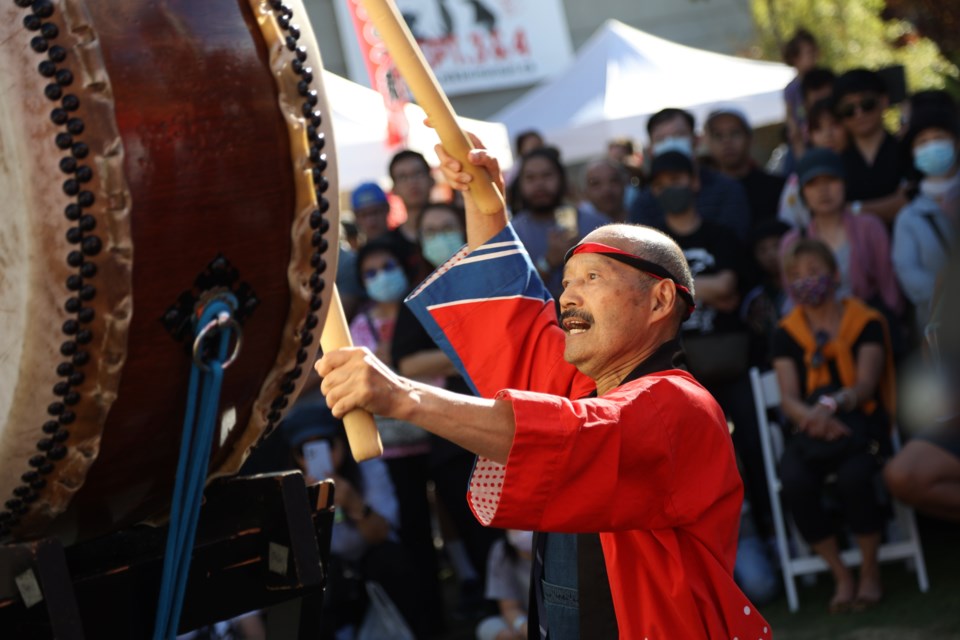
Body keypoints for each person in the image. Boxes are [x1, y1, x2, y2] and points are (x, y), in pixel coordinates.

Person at [316, 134, 771, 638]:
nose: (567, 299)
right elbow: (511, 319)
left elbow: (571, 437)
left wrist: (404, 396)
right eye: (567, 282)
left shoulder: (677, 404)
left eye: (593, 278)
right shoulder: (586, 387)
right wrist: (481, 198)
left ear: (661, 299)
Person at [648, 150, 773, 549]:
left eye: (679, 179)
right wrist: (710, 288)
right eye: (663, 182)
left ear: (696, 182)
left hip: (733, 361)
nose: (673, 188)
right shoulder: (649, 247)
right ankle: (716, 547)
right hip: (680, 372)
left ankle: (770, 534)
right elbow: (714, 290)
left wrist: (673, 290)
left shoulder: (721, 235)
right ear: (653, 189)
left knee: (754, 446)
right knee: (697, 463)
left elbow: (729, 288)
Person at [772, 237, 896, 613]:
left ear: (835, 273)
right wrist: (813, 417)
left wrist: (830, 406)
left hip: (858, 419)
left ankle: (870, 572)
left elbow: (865, 384)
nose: (805, 280)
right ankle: (842, 574)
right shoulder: (785, 331)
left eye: (814, 271)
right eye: (796, 275)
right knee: (794, 481)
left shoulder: (866, 320)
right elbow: (789, 397)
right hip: (810, 430)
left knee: (854, 477)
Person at [392, 202, 502, 617]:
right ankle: (497, 615)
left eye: (447, 227)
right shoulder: (420, 294)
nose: (440, 235)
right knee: (478, 534)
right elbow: (407, 364)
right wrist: (474, 348)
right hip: (455, 440)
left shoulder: (493, 280)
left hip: (510, 423)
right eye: (431, 229)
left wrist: (446, 352)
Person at [278, 400, 417, 639]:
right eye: (304, 450)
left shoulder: (368, 470)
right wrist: (309, 514)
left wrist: (354, 504)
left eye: (325, 445)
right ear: (294, 456)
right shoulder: (287, 489)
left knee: (388, 558)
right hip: (328, 581)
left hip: (371, 569)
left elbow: (383, 534)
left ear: (342, 441)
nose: (317, 456)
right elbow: (290, 561)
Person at [780, 148, 903, 321]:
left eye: (831, 179)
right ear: (802, 192)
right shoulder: (792, 241)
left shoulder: (869, 227)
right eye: (813, 183)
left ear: (844, 183)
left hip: (867, 324)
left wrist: (889, 326)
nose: (823, 190)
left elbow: (888, 285)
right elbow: (793, 296)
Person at [628, 107, 751, 240]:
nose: (670, 143)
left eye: (678, 135)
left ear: (696, 140)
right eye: (661, 139)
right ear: (651, 149)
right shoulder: (643, 203)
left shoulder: (727, 189)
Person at [508, 147, 609, 299]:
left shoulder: (597, 226)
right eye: (530, 178)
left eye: (547, 175)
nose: (540, 184)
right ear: (520, 184)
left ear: (561, 178)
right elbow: (513, 293)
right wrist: (547, 263)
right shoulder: (510, 234)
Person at [893, 101, 958, 333]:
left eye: (939, 137)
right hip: (942, 331)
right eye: (923, 142)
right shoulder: (908, 217)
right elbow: (908, 274)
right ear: (912, 153)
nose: (932, 146)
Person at [833, 69, 908, 224]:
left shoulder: (906, 150)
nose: (859, 114)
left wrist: (854, 209)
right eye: (849, 110)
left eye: (867, 104)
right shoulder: (836, 162)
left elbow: (907, 201)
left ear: (884, 101)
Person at [704, 106, 786, 228]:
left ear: (750, 138)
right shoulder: (702, 196)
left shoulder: (778, 188)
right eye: (718, 135)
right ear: (708, 143)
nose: (727, 141)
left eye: (735, 133)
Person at [778, 98, 848, 229]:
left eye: (834, 125)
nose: (828, 134)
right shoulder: (796, 182)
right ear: (809, 135)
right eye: (818, 128)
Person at [475, 531, 533, 640]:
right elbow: (510, 608)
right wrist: (524, 627)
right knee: (488, 627)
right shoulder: (502, 550)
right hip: (529, 619)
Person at [782, 29, 821, 160]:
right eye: (809, 53)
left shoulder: (824, 81)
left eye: (814, 51)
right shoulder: (791, 89)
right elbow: (789, 114)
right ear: (795, 58)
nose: (814, 55)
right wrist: (794, 131)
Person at [390, 149, 436, 242]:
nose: (412, 182)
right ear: (394, 189)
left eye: (418, 173)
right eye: (402, 177)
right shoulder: (388, 247)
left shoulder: (460, 227)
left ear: (431, 180)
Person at [578, 158, 628, 222]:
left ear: (624, 183)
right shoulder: (578, 227)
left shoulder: (642, 216)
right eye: (595, 184)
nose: (606, 189)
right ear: (584, 192)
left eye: (613, 181)